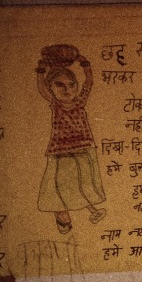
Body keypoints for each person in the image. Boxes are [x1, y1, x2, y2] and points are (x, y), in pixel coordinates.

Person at [36, 48, 106, 234]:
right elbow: (41, 87)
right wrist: (40, 71)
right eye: (60, 85)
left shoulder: (80, 101)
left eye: (72, 84)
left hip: (83, 147)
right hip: (61, 150)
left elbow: (89, 83)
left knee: (83, 181)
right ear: (51, 88)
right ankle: (63, 216)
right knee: (61, 183)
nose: (68, 89)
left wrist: (85, 65)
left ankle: (87, 211)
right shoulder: (55, 104)